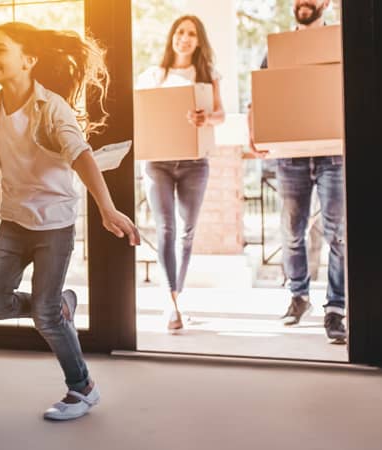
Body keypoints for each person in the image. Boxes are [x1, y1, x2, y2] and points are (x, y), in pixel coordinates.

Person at [0, 22, 139, 420]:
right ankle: (56, 306)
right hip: (15, 222)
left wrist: (106, 207)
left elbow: (82, 155)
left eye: (0, 49)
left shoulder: (52, 107)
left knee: (45, 316)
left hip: (54, 224)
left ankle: (82, 388)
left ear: (28, 60)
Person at [248, 0, 347, 344]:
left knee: (338, 234)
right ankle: (299, 296)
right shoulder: (278, 48)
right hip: (289, 155)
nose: (303, 1)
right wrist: (255, 133)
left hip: (333, 153)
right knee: (292, 231)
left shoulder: (340, 41)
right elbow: (258, 95)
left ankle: (336, 310)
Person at [135, 15, 225, 334]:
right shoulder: (152, 76)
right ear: (171, 36)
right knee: (166, 230)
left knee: (187, 232)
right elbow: (141, 114)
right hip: (157, 163)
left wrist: (206, 118)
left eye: (191, 33)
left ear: (198, 41)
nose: (184, 38)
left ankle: (177, 296)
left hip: (194, 163)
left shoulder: (207, 75)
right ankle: (171, 302)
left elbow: (220, 114)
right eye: (180, 32)